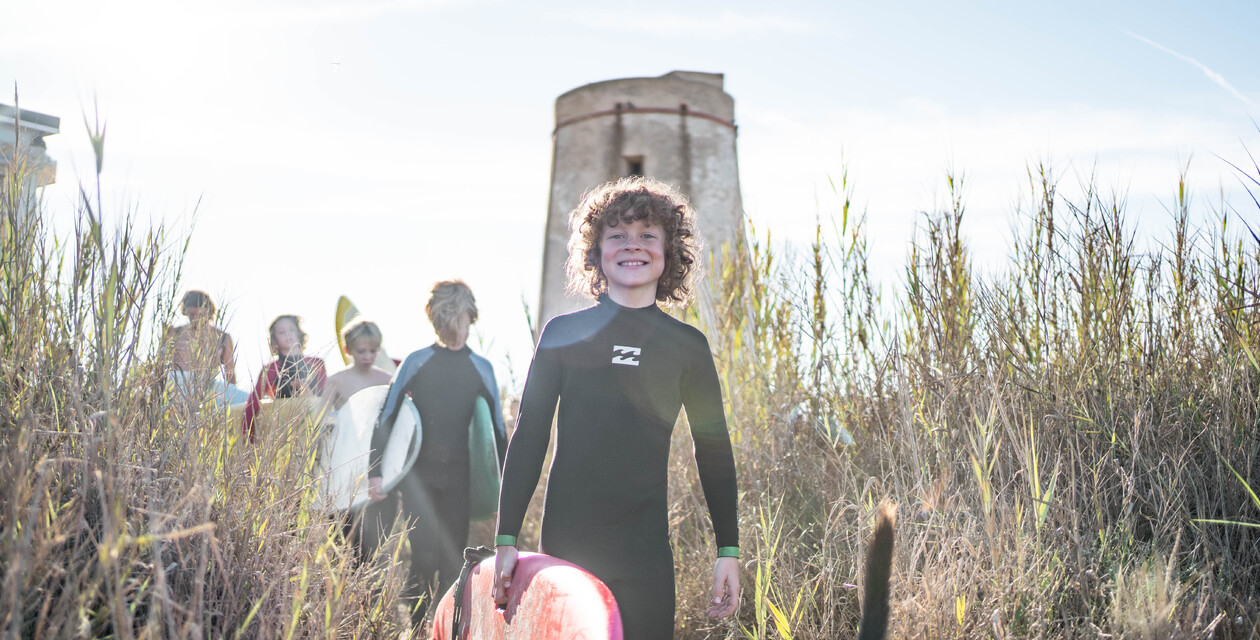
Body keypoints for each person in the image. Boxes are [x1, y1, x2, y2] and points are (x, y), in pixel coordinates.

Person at [492, 176, 741, 639]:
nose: (633, 245)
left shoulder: (687, 346)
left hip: (645, 555)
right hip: (569, 548)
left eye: (648, 235)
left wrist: (729, 549)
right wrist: (507, 539)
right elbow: (529, 436)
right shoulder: (563, 333)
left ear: (669, 253)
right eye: (618, 235)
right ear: (596, 251)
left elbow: (714, 450)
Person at [367, 280, 507, 625]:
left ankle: (446, 630)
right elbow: (386, 416)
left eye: (460, 319)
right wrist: (376, 471)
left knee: (454, 560)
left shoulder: (482, 368)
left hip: (460, 477)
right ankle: (413, 629)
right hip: (418, 477)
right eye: (447, 320)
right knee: (423, 557)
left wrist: (507, 488)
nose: (455, 328)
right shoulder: (417, 361)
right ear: (435, 319)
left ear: (470, 318)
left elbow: (501, 435)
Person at [241, 314, 328, 442]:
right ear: (274, 338)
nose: (288, 335)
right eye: (282, 332)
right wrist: (248, 441)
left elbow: (327, 397)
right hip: (286, 433)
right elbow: (252, 405)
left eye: (292, 330)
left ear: (299, 333)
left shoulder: (317, 363)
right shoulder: (271, 369)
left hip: (316, 428)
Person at [162, 290, 248, 406]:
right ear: (186, 312)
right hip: (177, 385)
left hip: (207, 387)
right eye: (192, 315)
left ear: (209, 312)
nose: (196, 319)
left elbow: (230, 375)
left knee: (247, 399)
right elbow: (160, 366)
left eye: (201, 315)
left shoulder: (222, 337)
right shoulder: (174, 333)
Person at [322, 319, 393, 410]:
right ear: (347, 350)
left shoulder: (387, 380)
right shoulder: (335, 381)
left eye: (372, 351)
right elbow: (321, 420)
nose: (367, 357)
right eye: (361, 351)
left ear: (379, 349)